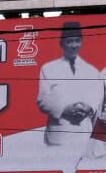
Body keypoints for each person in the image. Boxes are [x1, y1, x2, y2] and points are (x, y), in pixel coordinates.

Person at [36, 20, 102, 148]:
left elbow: (98, 97)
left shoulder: (92, 71)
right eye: (69, 41)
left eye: (77, 41)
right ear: (61, 43)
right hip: (58, 137)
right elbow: (42, 100)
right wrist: (64, 109)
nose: (74, 45)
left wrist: (89, 108)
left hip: (84, 135)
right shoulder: (48, 68)